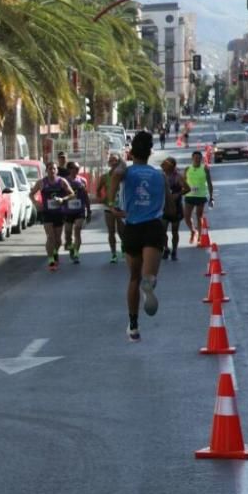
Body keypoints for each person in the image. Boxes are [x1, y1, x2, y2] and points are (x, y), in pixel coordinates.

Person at [109, 131, 172, 342]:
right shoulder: (160, 175)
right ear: (150, 151)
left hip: (132, 227)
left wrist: (112, 204)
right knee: (148, 276)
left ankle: (133, 325)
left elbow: (115, 177)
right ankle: (150, 283)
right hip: (153, 227)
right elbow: (170, 207)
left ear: (132, 151)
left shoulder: (126, 172)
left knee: (133, 278)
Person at [29, 161, 75, 271]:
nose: (52, 170)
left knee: (58, 240)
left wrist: (62, 199)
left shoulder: (62, 181)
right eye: (50, 168)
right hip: (47, 213)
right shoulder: (41, 182)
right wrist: (36, 203)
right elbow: (31, 194)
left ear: (57, 170)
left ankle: (55, 252)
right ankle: (51, 260)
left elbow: (72, 194)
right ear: (46, 171)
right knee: (50, 237)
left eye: (54, 168)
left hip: (59, 212)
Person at [97, 153, 126, 263]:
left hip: (121, 207)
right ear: (109, 163)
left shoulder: (123, 176)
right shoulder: (104, 177)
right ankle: (113, 253)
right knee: (111, 231)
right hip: (109, 207)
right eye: (111, 160)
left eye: (116, 161)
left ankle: (123, 247)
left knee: (122, 231)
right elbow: (98, 190)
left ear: (119, 162)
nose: (113, 162)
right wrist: (101, 199)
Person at [160, 156, 190, 261]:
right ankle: (166, 248)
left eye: (166, 164)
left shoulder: (177, 177)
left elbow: (187, 188)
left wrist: (178, 194)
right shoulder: (161, 176)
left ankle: (174, 251)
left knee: (174, 231)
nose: (163, 165)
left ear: (172, 165)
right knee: (162, 230)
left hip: (175, 207)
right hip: (163, 207)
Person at [63, 161, 91, 264]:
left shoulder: (82, 180)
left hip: (80, 210)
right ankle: (70, 246)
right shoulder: (64, 181)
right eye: (74, 168)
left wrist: (89, 210)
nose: (76, 170)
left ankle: (76, 253)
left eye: (78, 168)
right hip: (68, 211)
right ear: (69, 169)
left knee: (77, 229)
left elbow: (86, 196)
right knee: (68, 233)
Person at [183, 150, 214, 244]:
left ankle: (200, 236)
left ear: (201, 159)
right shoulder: (187, 169)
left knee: (199, 216)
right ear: (192, 158)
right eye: (195, 158)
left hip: (200, 196)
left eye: (199, 158)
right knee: (186, 216)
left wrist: (211, 197)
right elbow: (183, 182)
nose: (197, 159)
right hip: (189, 195)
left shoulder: (205, 169)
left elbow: (209, 183)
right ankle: (193, 231)